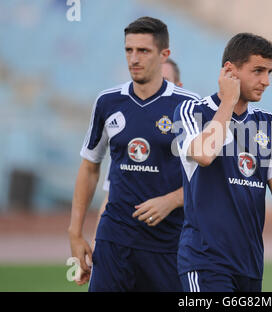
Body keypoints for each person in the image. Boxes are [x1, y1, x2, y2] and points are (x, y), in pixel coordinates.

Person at [68, 17, 200, 291]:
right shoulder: (107, 102)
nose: (134, 58)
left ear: (164, 55)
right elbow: (90, 166)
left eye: (143, 51)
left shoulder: (188, 106)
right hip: (114, 240)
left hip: (168, 243)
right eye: (129, 50)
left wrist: (171, 200)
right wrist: (76, 231)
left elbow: (208, 179)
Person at [173, 33, 272, 292]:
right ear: (230, 71)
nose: (266, 81)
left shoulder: (265, 122)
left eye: (269, 72)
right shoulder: (191, 111)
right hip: (205, 260)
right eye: (258, 71)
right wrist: (228, 101)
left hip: (249, 262)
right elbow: (204, 155)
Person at [93, 58, 184, 247]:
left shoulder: (192, 135)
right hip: (125, 242)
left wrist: (171, 200)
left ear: (178, 87)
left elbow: (208, 185)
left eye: (165, 80)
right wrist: (97, 241)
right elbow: (111, 194)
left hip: (172, 242)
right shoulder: (128, 137)